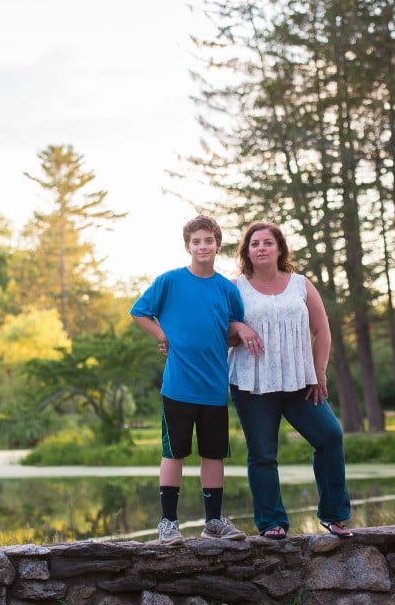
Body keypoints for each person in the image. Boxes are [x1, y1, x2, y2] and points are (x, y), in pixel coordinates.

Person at [130, 214, 260, 544]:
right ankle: (169, 523)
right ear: (187, 246)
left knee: (213, 455)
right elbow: (139, 312)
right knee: (173, 453)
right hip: (178, 386)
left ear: (218, 244)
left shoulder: (227, 289)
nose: (203, 246)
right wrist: (164, 336)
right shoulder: (170, 281)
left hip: (214, 387)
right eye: (196, 241)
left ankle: (213, 522)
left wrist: (239, 329)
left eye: (208, 240)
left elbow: (230, 331)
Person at [228, 221, 353, 539]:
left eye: (268, 242)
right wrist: (240, 328)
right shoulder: (236, 288)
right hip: (252, 383)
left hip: (300, 382)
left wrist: (319, 372)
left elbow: (322, 329)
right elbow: (223, 334)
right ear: (247, 251)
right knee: (263, 454)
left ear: (280, 249)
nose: (261, 248)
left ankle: (334, 516)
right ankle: (272, 523)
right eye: (254, 244)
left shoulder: (301, 284)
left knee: (330, 436)